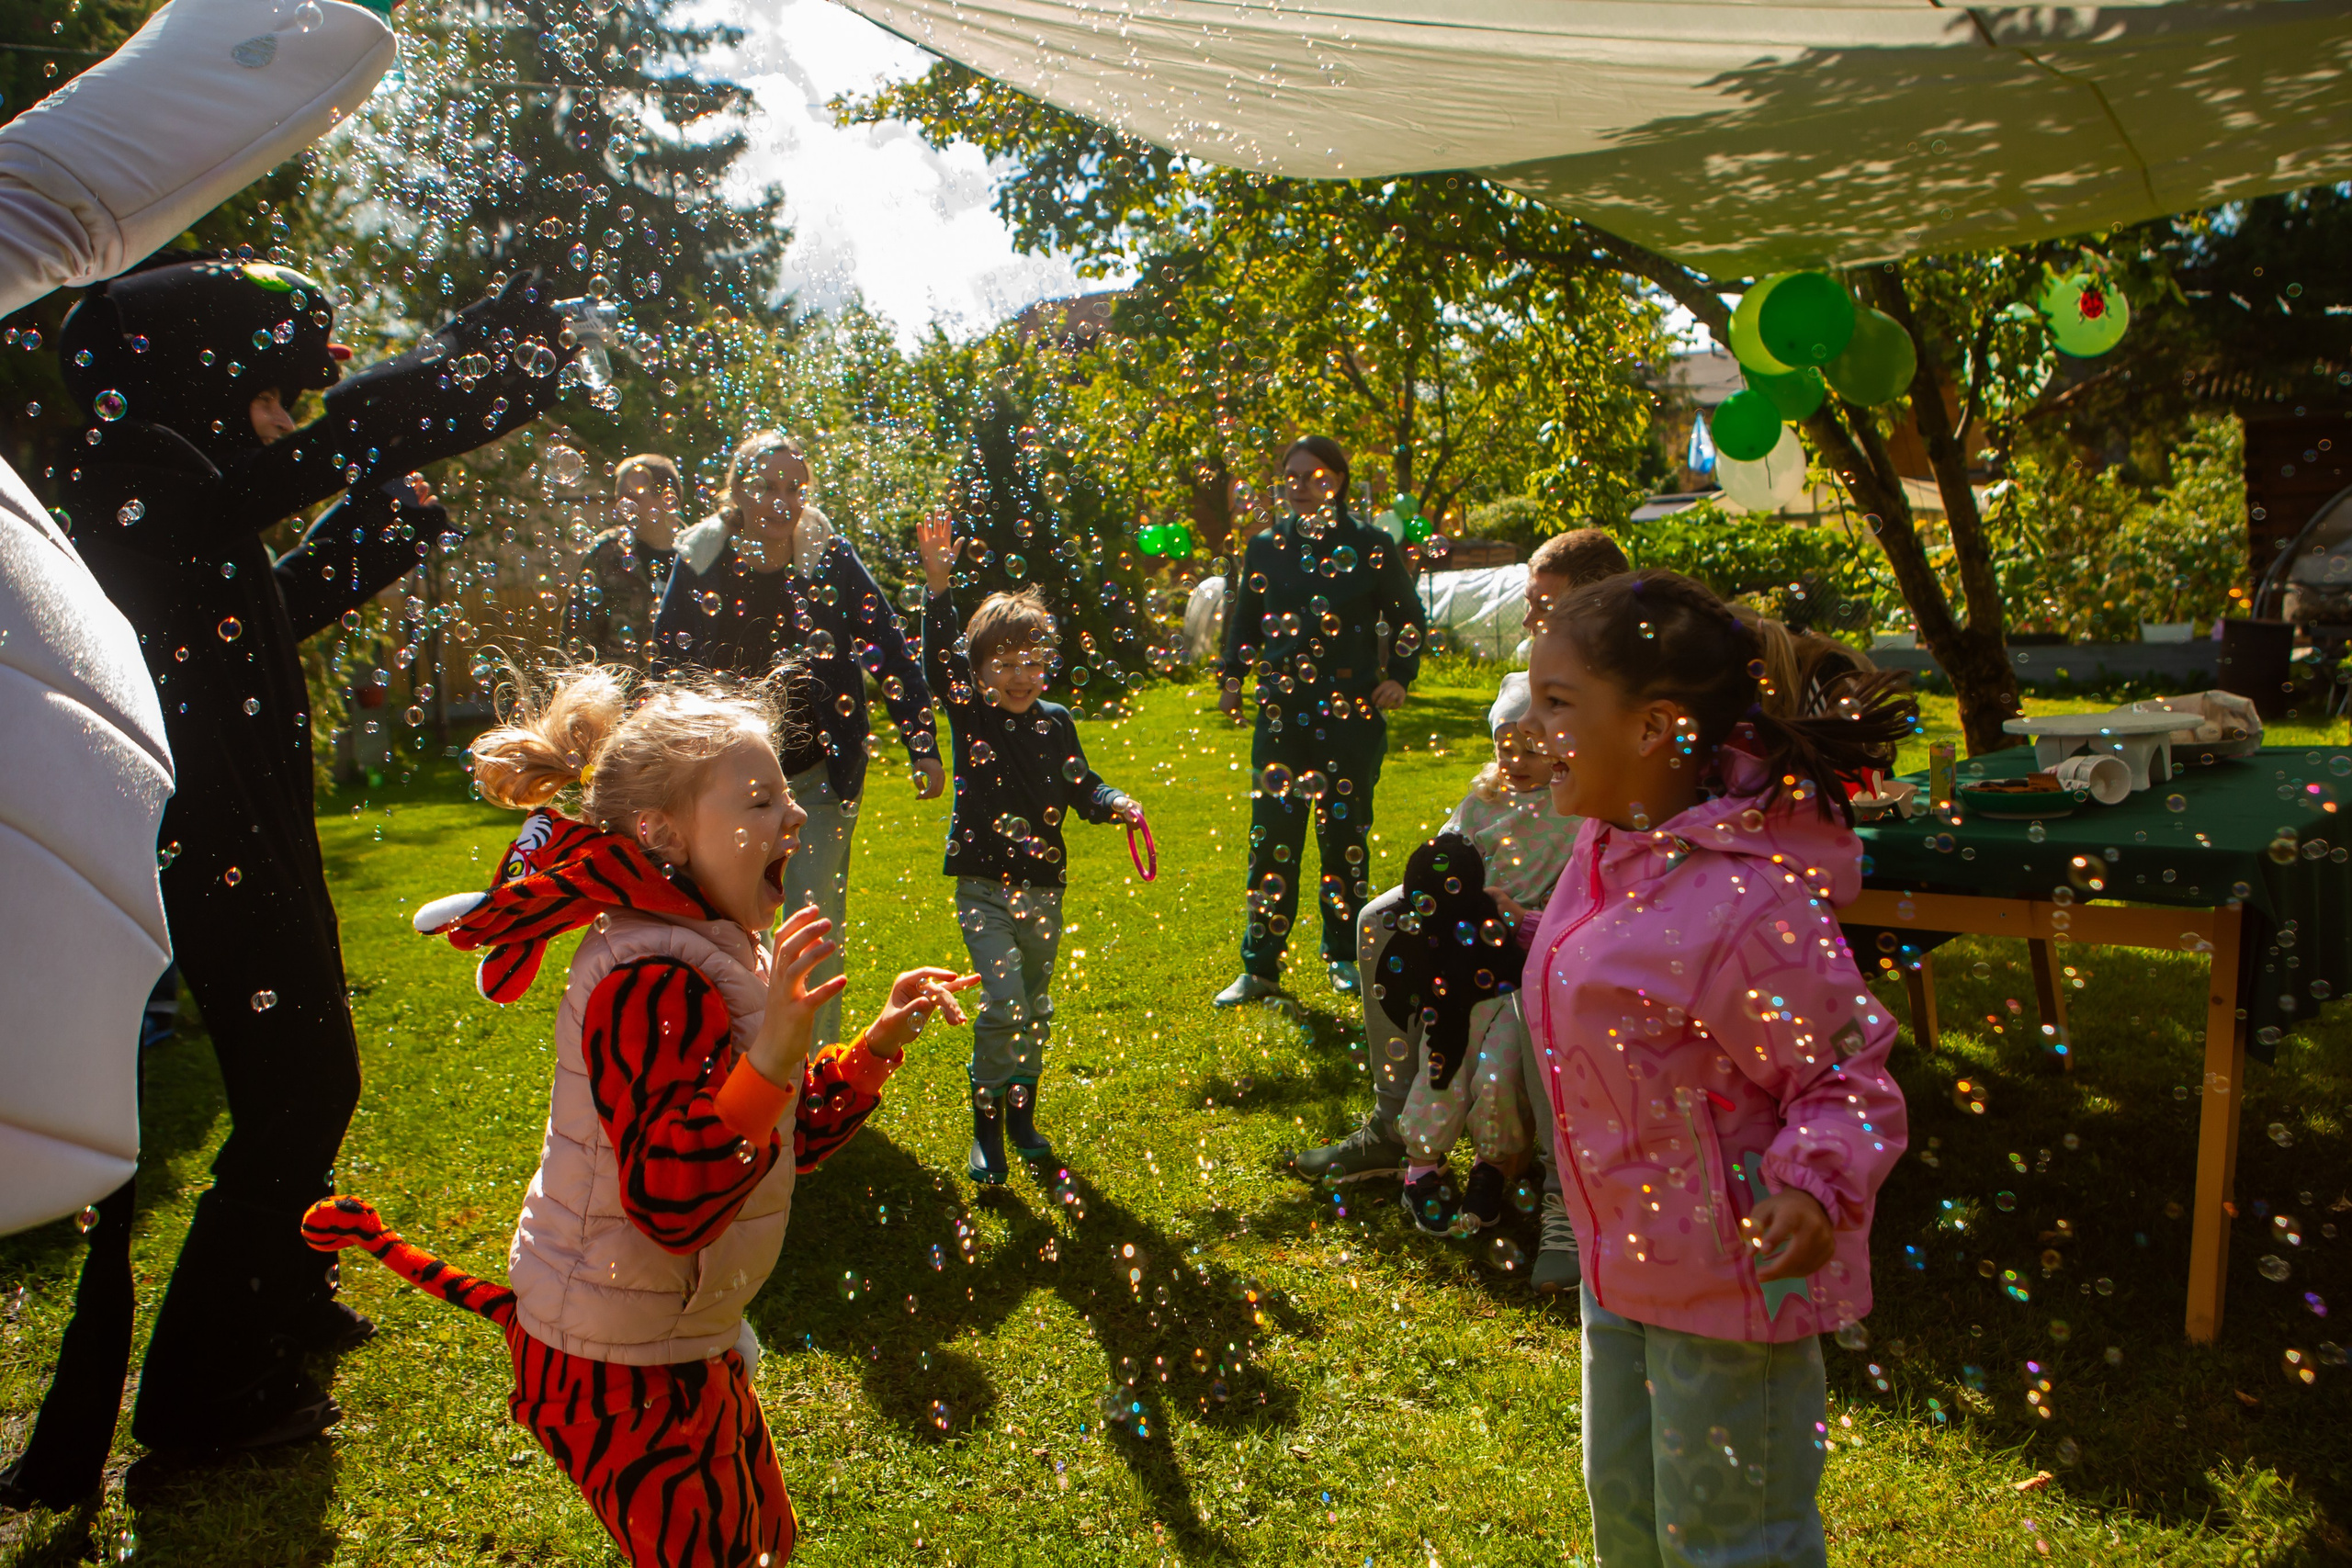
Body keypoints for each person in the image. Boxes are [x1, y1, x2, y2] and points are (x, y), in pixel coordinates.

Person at [28, 256, 568, 1467]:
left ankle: (280, 1291)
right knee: (302, 1080)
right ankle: (205, 1391)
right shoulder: (125, 480)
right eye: (272, 396)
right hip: (205, 833)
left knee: (312, 1068)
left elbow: (260, 608)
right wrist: (472, 373)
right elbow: (339, 444)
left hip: (245, 825)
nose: (283, 421)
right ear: (196, 379)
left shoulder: (168, 486)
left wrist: (380, 530)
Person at [311, 665, 978, 1565]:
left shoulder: (714, 943)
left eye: (785, 795)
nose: (793, 818)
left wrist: (872, 1050)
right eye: (758, 801)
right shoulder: (649, 977)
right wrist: (775, 1052)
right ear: (664, 833)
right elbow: (673, 1198)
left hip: (673, 1339)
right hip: (612, 1368)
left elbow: (770, 1138)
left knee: (762, 1542)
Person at [1521, 569, 1914, 1566]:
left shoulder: (1749, 908)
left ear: (1654, 729)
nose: (1532, 727)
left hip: (1733, 1289)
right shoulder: (1607, 850)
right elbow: (1622, 995)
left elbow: (1846, 1077)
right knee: (1631, 1524)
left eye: (1557, 703)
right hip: (1624, 1274)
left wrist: (1813, 1190)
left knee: (1729, 1544)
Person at [653, 429, 943, 1050]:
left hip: (815, 776)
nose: (781, 501)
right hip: (723, 783)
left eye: (794, 488)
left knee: (813, 928)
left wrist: (922, 741)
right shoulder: (701, 558)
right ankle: (735, 1063)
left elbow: (887, 647)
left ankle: (815, 1081)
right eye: (766, 487)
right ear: (736, 491)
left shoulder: (829, 557)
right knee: (723, 927)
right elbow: (665, 666)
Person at [915, 511, 1141, 1184]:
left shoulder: (1057, 723)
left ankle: (1021, 1114)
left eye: (1032, 662)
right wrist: (937, 587)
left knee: (1036, 1005)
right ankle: (986, 1127)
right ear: (979, 671)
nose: (1020, 675)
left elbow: (1082, 784)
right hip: (984, 886)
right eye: (1004, 663)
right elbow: (938, 662)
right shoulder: (973, 712)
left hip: (1044, 887)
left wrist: (1112, 803)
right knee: (1005, 1001)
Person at [1213, 435, 1426, 1005]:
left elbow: (1409, 618)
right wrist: (1232, 679)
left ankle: (1344, 957)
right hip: (1282, 716)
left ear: (1339, 482)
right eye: (1291, 477)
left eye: (1314, 476)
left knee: (1343, 839)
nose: (1301, 487)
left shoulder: (1372, 545)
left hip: (1350, 717)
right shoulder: (1264, 548)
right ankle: (1259, 970)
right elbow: (1244, 622)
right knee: (1271, 841)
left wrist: (1398, 677)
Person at [1382, 674, 1580, 1240]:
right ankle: (1422, 1164)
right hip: (1464, 967)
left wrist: (1518, 914)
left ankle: (1495, 1164)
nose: (1516, 761)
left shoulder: (1575, 813)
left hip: (1525, 970)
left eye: (1532, 748)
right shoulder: (1481, 805)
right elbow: (1438, 866)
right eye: (1504, 747)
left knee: (1500, 1073)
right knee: (1444, 1059)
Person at [569, 452, 684, 665]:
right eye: (619, 500)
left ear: (668, 500)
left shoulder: (696, 553)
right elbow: (575, 639)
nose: (623, 510)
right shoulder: (606, 554)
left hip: (682, 693)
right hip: (620, 693)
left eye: (633, 500)